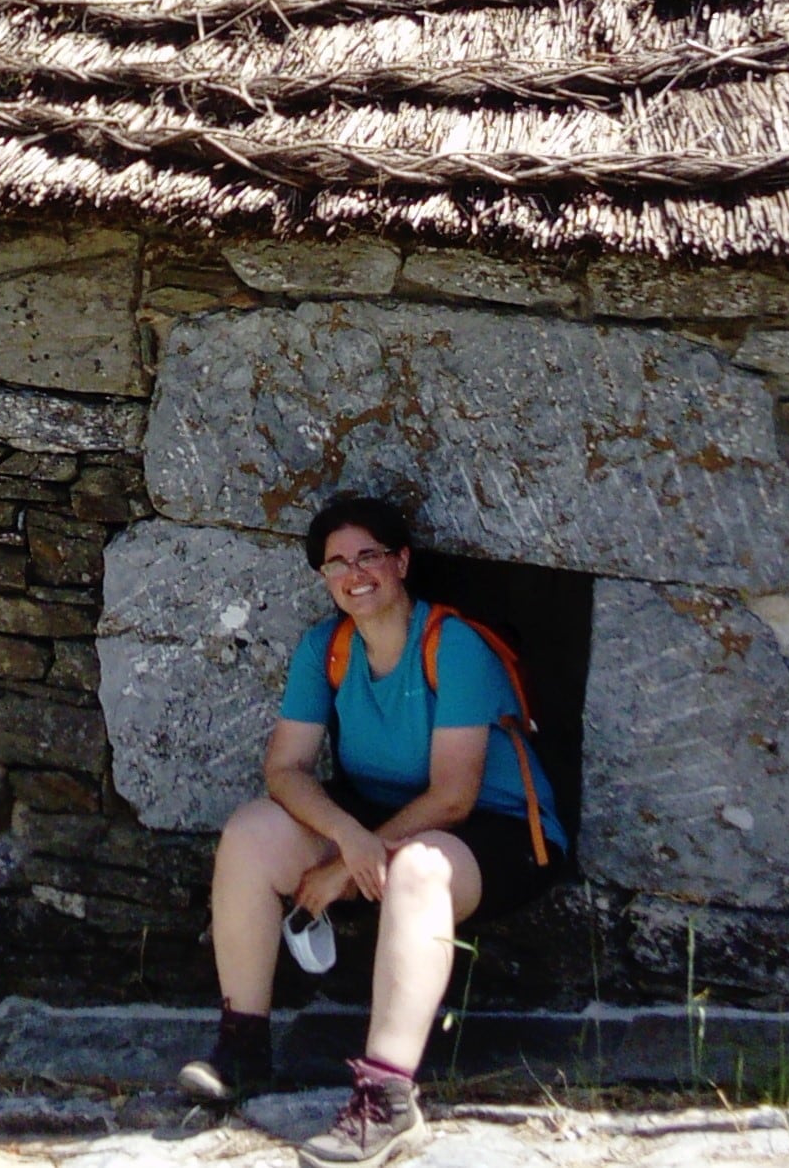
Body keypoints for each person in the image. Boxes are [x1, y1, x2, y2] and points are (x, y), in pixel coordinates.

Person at [177, 494, 568, 1168]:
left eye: (369, 556)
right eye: (336, 564)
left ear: (402, 562)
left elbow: (453, 796)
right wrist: (346, 837)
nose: (355, 574)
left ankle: (386, 1099)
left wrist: (343, 863)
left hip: (494, 831)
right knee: (249, 833)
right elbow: (286, 769)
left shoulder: (455, 645)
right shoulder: (324, 647)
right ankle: (242, 1051)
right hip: (380, 819)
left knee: (417, 868)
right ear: (325, 578)